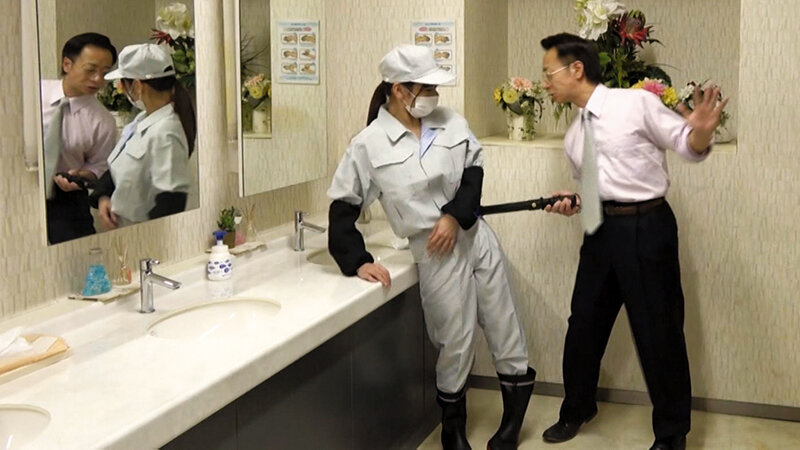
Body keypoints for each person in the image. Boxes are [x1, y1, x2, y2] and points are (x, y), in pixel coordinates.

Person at [327, 45, 536, 450]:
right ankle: (453, 429)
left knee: (504, 325)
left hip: (474, 236)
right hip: (434, 250)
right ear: (399, 90)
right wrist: (357, 261)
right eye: (426, 88)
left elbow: (474, 170)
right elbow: (343, 205)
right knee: (454, 341)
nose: (434, 96)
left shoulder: (451, 122)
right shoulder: (368, 145)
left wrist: (455, 215)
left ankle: (512, 422)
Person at [537, 33, 728, 450]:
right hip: (600, 232)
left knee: (658, 331)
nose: (545, 82)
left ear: (576, 69)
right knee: (583, 324)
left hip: (647, 227)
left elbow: (686, 144)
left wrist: (700, 134)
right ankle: (577, 408)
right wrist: (574, 202)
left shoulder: (635, 103)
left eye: (548, 73)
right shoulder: (574, 135)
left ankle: (672, 434)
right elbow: (595, 189)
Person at [90, 43, 195, 228]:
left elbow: (171, 200)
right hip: (125, 229)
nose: (123, 89)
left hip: (146, 234)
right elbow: (120, 166)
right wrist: (103, 195)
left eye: (123, 83)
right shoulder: (141, 120)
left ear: (137, 86)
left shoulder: (166, 133)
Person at [41, 33, 118, 244]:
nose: (98, 79)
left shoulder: (103, 120)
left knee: (80, 256)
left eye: (105, 73)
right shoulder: (33, 94)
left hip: (68, 201)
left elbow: (99, 165)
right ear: (67, 64)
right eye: (91, 70)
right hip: (16, 191)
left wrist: (83, 175)